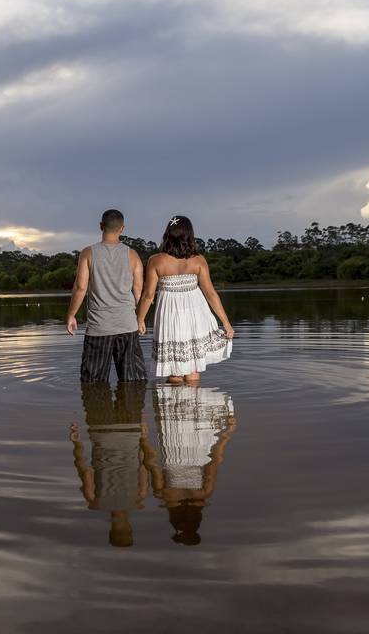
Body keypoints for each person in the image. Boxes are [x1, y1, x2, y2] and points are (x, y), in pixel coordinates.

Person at [136, 215, 234, 385]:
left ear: (168, 234)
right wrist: (225, 322)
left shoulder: (156, 261)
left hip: (170, 314)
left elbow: (148, 295)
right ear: (189, 234)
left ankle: (175, 408)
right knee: (193, 367)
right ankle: (195, 406)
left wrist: (140, 319)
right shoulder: (198, 260)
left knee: (174, 368)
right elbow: (210, 293)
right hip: (195, 313)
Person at [68, 382, 160, 547]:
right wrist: (76, 443)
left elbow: (144, 464)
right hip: (101, 431)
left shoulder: (139, 499)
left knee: (117, 385)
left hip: (129, 431)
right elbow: (84, 468)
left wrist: (143, 436)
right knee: (98, 388)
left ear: (130, 528)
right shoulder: (94, 501)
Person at [149, 383, 237, 546]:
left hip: (196, 444)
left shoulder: (203, 494)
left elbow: (215, 459)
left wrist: (227, 434)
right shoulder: (164, 495)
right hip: (172, 443)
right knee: (173, 394)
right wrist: (143, 438)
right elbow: (151, 462)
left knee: (188, 390)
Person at [66, 209, 147, 383]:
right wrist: (140, 319)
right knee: (133, 384)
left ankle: (97, 410)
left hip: (98, 328)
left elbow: (81, 288)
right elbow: (139, 291)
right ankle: (129, 410)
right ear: (122, 228)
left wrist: (71, 315)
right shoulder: (133, 255)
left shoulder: (88, 253)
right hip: (127, 326)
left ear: (101, 226)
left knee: (93, 385)